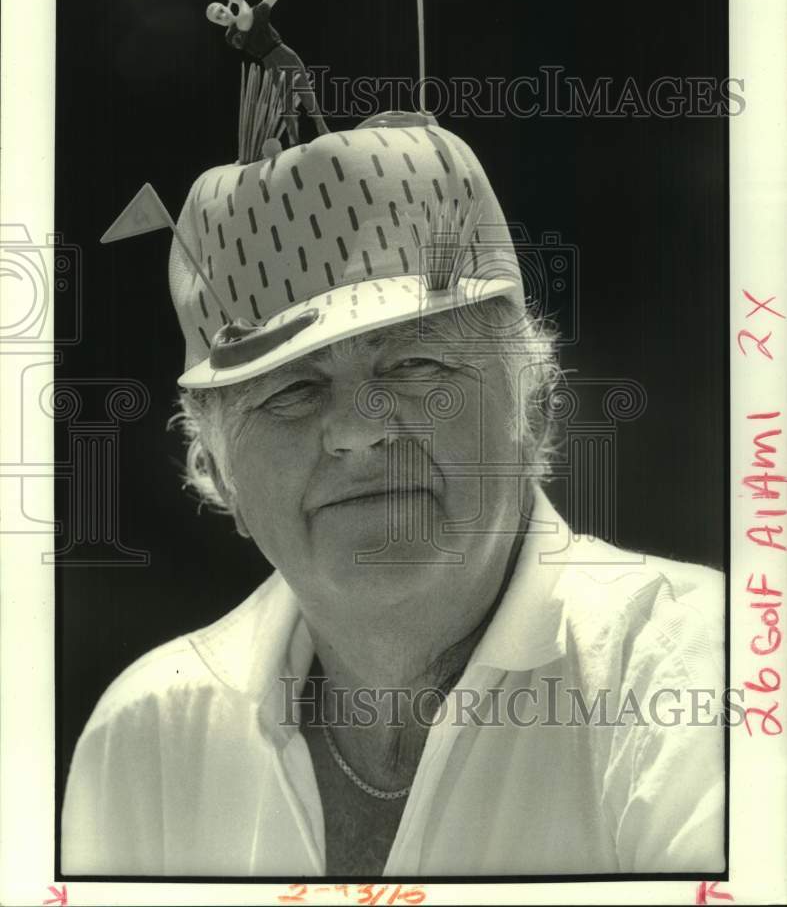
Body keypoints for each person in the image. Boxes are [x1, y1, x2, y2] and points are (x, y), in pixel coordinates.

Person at [62, 110, 725, 877]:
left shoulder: (690, 673)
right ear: (218, 474)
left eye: (415, 367)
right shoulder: (147, 736)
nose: (355, 430)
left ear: (534, 410)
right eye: (289, 392)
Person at [206, 0, 329, 143]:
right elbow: (245, 21)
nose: (222, 15)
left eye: (220, 10)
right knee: (286, 101)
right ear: (217, 24)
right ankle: (294, 139)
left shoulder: (254, 11)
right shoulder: (231, 35)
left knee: (304, 88)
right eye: (217, 18)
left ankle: (321, 127)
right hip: (270, 61)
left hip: (284, 52)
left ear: (224, 6)